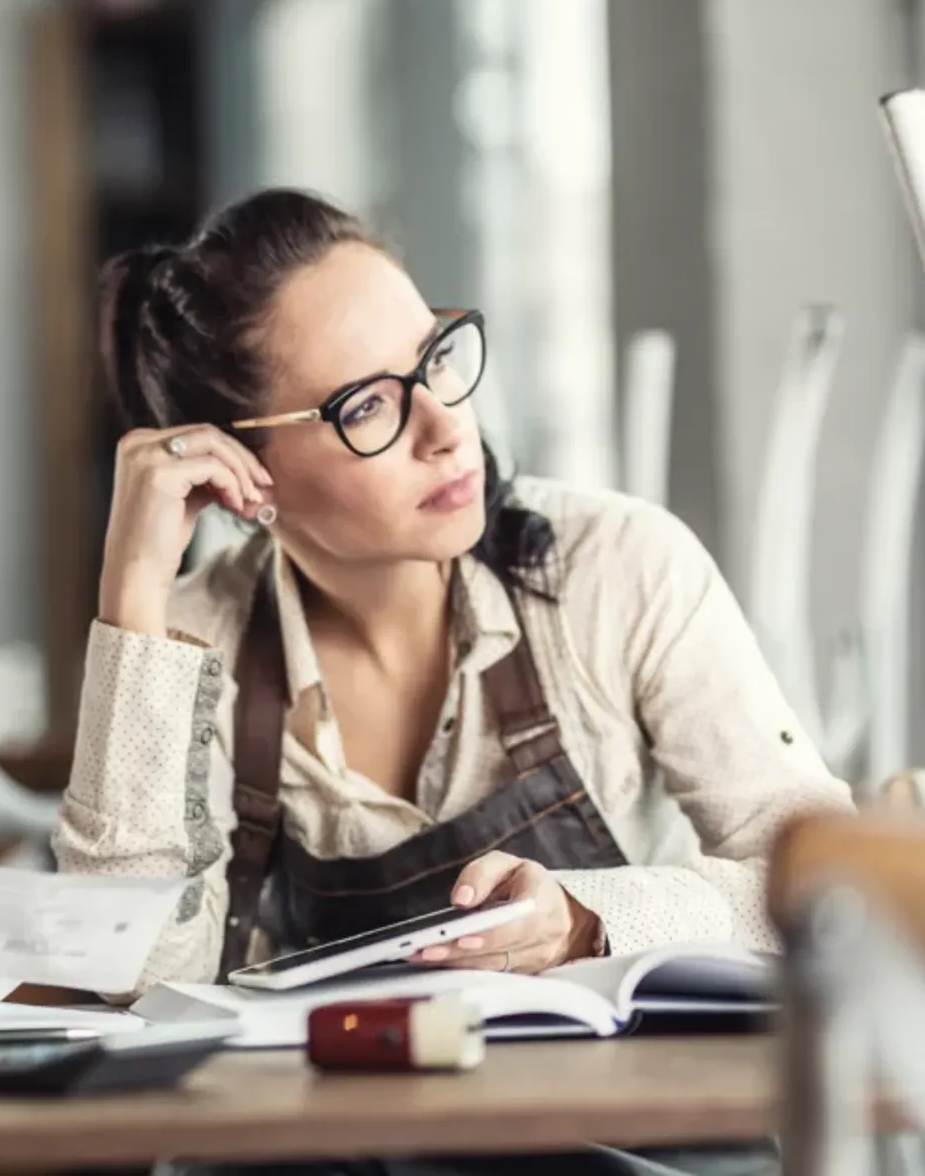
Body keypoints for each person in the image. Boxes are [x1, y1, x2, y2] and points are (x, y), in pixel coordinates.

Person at [56, 189, 853, 1174]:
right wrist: (133, 600)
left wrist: (591, 918)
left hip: (643, 1147)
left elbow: (831, 888)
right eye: (370, 406)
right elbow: (126, 987)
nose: (447, 428)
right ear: (244, 473)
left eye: (435, 359)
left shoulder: (615, 568)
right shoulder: (191, 643)